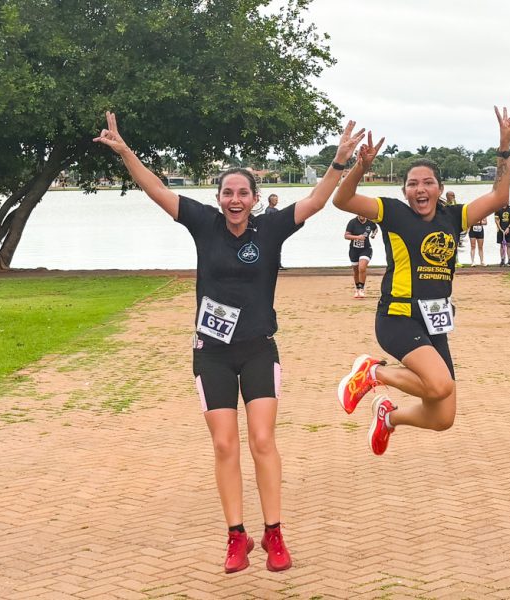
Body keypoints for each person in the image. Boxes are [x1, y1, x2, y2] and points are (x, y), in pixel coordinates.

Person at [94, 112, 364, 574]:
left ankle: (274, 534)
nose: (235, 200)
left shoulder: (273, 227)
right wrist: (124, 151)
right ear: (218, 199)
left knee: (262, 438)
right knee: (224, 445)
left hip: (258, 348)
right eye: (227, 193)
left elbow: (318, 201)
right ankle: (236, 536)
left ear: (255, 199)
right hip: (212, 353)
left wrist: (339, 162)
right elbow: (157, 191)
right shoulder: (204, 223)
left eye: (243, 193)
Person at [332, 106, 510, 456]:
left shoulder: (453, 216)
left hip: (434, 322)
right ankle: (374, 373)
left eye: (428, 182)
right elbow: (342, 200)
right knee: (439, 383)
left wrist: (504, 148)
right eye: (413, 183)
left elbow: (499, 198)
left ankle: (389, 417)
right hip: (398, 317)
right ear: (404, 191)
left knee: (442, 414)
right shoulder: (393, 213)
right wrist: (360, 168)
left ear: (439, 188)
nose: (421, 188)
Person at [344, 215, 377, 298]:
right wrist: (357, 237)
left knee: (362, 268)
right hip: (354, 250)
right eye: (359, 213)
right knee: (356, 271)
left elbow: (375, 228)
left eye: (363, 213)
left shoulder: (370, 222)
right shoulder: (352, 222)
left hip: (366, 249)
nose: (361, 215)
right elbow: (346, 236)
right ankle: (357, 289)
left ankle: (361, 289)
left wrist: (373, 234)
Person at [264, 194, 286, 270]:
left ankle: (278, 264)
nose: (277, 201)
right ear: (270, 201)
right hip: (271, 233)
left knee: (277, 250)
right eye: (275, 200)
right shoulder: (268, 210)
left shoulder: (275, 210)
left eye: (277, 200)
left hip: (276, 233)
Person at [495, 198, 510, 267]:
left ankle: (509, 260)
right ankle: (502, 260)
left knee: (508, 244)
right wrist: (501, 229)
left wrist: (508, 228)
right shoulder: (498, 208)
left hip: (508, 229)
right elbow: (497, 220)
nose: (508, 202)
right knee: (501, 245)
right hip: (501, 230)